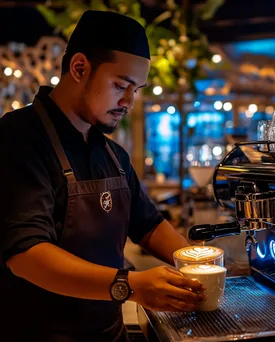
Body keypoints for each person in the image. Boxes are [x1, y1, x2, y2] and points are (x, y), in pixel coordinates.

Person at [0, 10, 206, 342]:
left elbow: (149, 225)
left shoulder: (112, 154)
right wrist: (129, 284)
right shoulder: (18, 138)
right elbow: (26, 254)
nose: (129, 102)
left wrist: (199, 268)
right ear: (79, 68)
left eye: (136, 90)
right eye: (120, 86)